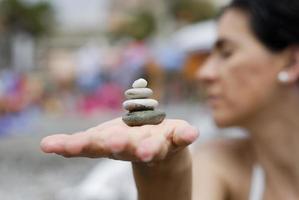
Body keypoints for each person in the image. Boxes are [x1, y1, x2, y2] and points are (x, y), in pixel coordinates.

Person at [40, 0, 299, 199]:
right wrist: (164, 169)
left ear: (291, 61)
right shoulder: (221, 162)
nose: (204, 73)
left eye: (227, 53)